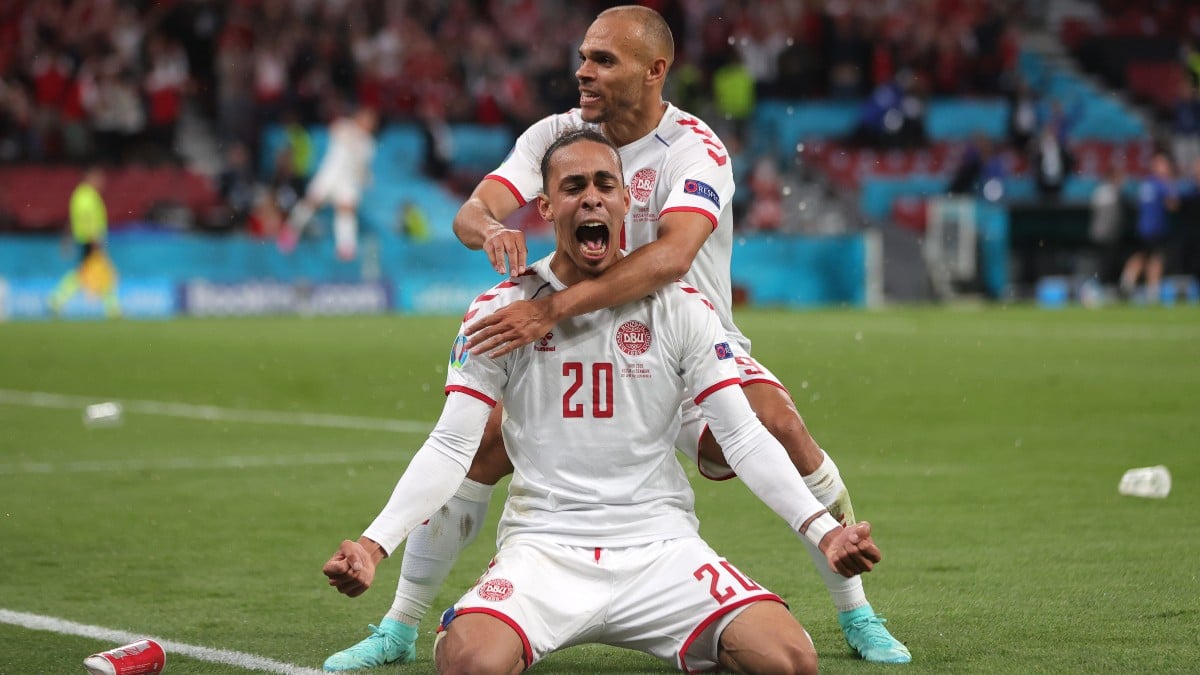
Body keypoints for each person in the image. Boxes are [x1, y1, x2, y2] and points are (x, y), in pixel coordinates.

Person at [324, 6, 910, 672]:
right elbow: (475, 208)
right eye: (583, 56)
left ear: (655, 71)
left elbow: (669, 259)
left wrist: (553, 310)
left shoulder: (695, 149)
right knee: (480, 441)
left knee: (776, 425)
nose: (583, 70)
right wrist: (494, 231)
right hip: (573, 346)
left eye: (604, 59)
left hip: (683, 347)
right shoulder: (558, 134)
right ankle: (399, 624)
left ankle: (856, 609)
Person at [277, 105, 377, 261]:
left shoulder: (369, 145)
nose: (368, 123)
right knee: (312, 202)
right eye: (366, 119)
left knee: (346, 209)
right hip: (330, 174)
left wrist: (365, 177)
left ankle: (345, 247)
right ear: (359, 117)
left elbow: (362, 168)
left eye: (371, 121)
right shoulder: (345, 127)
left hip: (347, 181)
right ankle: (291, 231)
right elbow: (334, 129)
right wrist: (352, 133)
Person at [48, 166, 119, 318]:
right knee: (96, 273)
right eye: (99, 178)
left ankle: (112, 309)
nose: (102, 182)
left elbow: (72, 219)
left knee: (96, 273)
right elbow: (87, 219)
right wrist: (96, 241)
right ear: (90, 177)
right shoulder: (87, 196)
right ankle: (56, 300)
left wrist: (67, 238)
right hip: (91, 240)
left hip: (90, 239)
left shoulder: (82, 195)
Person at [1121, 152, 1179, 302]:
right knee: (1156, 259)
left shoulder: (1145, 183)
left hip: (1143, 228)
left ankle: (1127, 282)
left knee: (1142, 256)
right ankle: (1152, 291)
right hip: (1156, 228)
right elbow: (1173, 205)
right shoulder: (1161, 184)